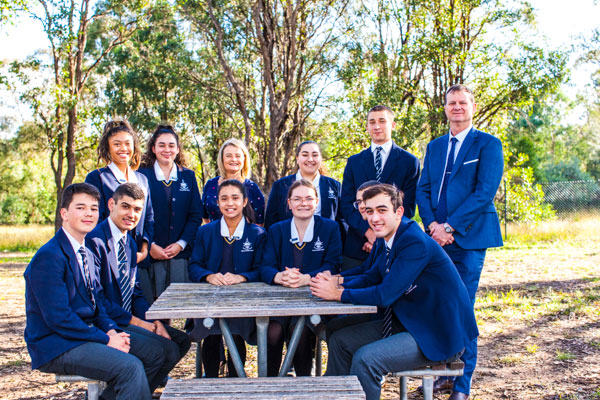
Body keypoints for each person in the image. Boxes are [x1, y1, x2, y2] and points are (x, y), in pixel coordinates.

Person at [309, 183, 478, 400]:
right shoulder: (388, 237)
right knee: (340, 339)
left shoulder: (413, 241)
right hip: (410, 319)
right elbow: (371, 276)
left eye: (382, 210)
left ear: (398, 212)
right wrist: (336, 283)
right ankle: (335, 395)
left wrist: (337, 293)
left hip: (438, 331)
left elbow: (385, 294)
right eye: (369, 211)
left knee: (366, 359)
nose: (374, 218)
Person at [23, 183, 161, 400]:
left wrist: (111, 330)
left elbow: (97, 302)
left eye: (93, 208)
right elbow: (59, 319)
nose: (88, 213)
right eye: (80, 207)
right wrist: (105, 339)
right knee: (130, 367)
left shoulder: (85, 252)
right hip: (56, 343)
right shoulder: (49, 256)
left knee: (154, 353)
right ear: (64, 213)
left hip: (84, 333)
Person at [416, 84, 504, 400]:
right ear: (445, 107)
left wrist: (451, 226)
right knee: (437, 305)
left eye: (462, 102)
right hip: (435, 240)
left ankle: (462, 385)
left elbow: (484, 193)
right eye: (451, 102)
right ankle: (442, 373)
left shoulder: (488, 145)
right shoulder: (436, 146)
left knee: (462, 306)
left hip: (468, 239)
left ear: (472, 106)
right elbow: (423, 190)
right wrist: (432, 226)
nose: (457, 107)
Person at [86, 183, 191, 393]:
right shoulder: (94, 241)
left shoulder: (130, 243)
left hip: (126, 318)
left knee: (180, 341)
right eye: (125, 207)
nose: (131, 214)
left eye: (137, 209)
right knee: (160, 352)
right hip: (104, 323)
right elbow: (98, 300)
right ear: (111, 204)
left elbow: (136, 293)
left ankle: (125, 394)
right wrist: (142, 324)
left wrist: (155, 322)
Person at [260, 179, 342, 377]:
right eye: (297, 199)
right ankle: (269, 382)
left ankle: (304, 381)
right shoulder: (277, 230)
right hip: (280, 299)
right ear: (289, 203)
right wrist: (279, 276)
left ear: (316, 202)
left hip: (315, 298)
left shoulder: (330, 228)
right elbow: (265, 266)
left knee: (302, 330)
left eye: (308, 199)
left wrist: (307, 279)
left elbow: (333, 264)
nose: (303, 203)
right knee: (273, 330)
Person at [188, 179, 267, 377]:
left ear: (244, 201)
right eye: (224, 198)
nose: (229, 203)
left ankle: (236, 379)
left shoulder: (257, 233)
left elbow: (262, 269)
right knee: (211, 334)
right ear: (217, 202)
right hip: (210, 298)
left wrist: (242, 277)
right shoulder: (205, 231)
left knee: (236, 334)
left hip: (243, 300)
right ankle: (211, 379)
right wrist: (209, 276)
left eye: (235, 198)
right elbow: (194, 266)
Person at [340, 105, 420, 269]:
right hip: (358, 246)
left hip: (393, 244)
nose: (376, 126)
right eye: (372, 122)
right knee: (351, 290)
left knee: (389, 291)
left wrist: (381, 236)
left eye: (382, 121)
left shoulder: (409, 162)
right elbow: (347, 205)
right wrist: (368, 233)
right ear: (367, 126)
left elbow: (408, 207)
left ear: (392, 125)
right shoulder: (354, 162)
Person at [138, 124, 203, 303]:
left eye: (171, 145)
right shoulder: (141, 176)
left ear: (177, 149)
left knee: (178, 303)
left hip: (180, 254)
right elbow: (137, 216)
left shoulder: (188, 176)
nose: (167, 150)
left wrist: (181, 244)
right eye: (161, 145)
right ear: (153, 148)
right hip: (151, 252)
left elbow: (196, 215)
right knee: (154, 305)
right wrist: (149, 245)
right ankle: (157, 332)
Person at [85, 119, 154, 268]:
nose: (123, 148)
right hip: (108, 257)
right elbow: (95, 219)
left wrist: (143, 250)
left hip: (139, 259)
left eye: (128, 143)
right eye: (117, 144)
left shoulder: (142, 179)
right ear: (107, 148)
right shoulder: (97, 178)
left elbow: (148, 217)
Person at [265, 140, 341, 229]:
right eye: (305, 155)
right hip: (288, 240)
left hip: (325, 240)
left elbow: (341, 220)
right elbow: (271, 220)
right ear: (297, 158)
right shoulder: (281, 185)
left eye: (315, 155)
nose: (310, 159)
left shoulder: (333, 186)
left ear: (321, 158)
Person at [202, 138, 265, 225]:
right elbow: (205, 217)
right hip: (214, 237)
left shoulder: (252, 188)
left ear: (244, 159)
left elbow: (259, 223)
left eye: (238, 156)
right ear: (222, 158)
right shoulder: (210, 184)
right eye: (228, 156)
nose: (233, 159)